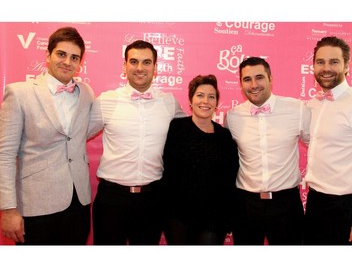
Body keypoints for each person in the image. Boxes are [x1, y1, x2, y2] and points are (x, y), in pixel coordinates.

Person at [0, 26, 94, 245]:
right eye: (61, 54)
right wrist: (8, 209)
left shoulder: (86, 92)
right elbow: (4, 155)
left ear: (80, 63)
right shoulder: (19, 93)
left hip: (78, 203)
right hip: (35, 205)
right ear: (48, 55)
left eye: (74, 57)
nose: (67, 62)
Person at [88, 39, 186, 245]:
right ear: (125, 66)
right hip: (112, 200)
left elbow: (189, 134)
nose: (140, 68)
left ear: (155, 67)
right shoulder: (106, 100)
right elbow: (77, 136)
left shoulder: (168, 102)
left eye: (146, 62)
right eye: (133, 62)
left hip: (153, 200)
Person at [224, 57, 310, 245]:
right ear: (240, 84)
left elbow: (319, 147)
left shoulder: (297, 110)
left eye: (259, 77)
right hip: (245, 205)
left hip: (286, 204)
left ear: (271, 78)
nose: (254, 85)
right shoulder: (232, 117)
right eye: (247, 79)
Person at [304, 36, 352, 245]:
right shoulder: (313, 104)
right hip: (316, 204)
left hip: (348, 208)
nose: (326, 68)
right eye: (320, 62)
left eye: (334, 62)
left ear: (346, 66)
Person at [161, 74, 239, 245]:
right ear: (190, 100)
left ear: (216, 104)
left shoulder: (224, 136)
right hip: (178, 216)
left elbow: (229, 179)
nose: (206, 101)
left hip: (214, 218)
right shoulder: (176, 128)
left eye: (211, 97)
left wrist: (228, 217)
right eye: (200, 95)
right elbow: (168, 173)